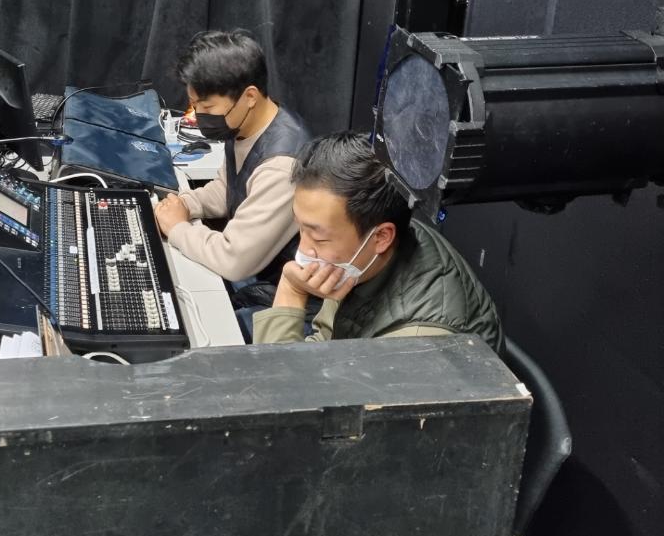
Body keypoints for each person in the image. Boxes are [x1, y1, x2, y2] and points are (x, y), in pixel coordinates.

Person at [253, 132, 503, 351]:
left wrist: (291, 292)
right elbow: (324, 341)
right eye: (300, 228)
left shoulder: (418, 342)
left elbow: (287, 386)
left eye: (318, 237)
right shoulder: (360, 254)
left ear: (382, 237)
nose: (303, 249)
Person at [154, 31, 311, 326]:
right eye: (194, 105)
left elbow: (234, 260)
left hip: (283, 300)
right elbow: (226, 191)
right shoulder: (247, 125)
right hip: (259, 279)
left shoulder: (281, 166)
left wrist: (176, 228)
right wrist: (182, 205)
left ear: (249, 97)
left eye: (207, 107)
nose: (199, 116)